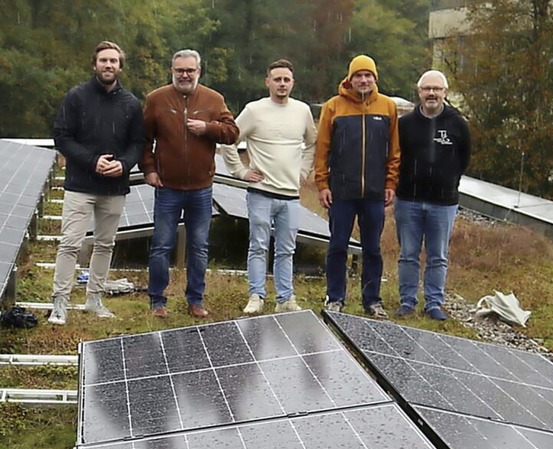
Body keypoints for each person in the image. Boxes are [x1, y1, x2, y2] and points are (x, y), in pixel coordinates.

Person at [48, 41, 144, 326]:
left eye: (114, 61)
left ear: (120, 66)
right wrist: (92, 161)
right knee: (70, 244)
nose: (108, 65)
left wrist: (124, 164)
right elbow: (62, 137)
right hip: (80, 184)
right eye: (103, 60)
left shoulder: (131, 104)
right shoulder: (76, 97)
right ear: (95, 64)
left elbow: (137, 143)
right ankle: (60, 302)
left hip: (114, 188)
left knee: (105, 244)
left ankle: (94, 299)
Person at [141, 49, 239, 318]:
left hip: (201, 188)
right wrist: (149, 170)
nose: (184, 75)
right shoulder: (156, 99)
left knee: (199, 245)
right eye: (179, 70)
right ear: (171, 70)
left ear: (199, 71)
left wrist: (208, 128)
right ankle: (157, 301)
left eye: (190, 70)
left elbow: (232, 134)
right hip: (167, 187)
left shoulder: (213, 99)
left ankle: (195, 299)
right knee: (162, 245)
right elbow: (144, 140)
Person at [221, 59, 317, 315]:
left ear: (293, 83)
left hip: (290, 196)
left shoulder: (302, 111)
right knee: (258, 246)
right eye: (277, 79)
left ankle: (285, 297)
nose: (282, 84)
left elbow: (312, 143)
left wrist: (304, 171)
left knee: (286, 248)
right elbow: (229, 140)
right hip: (261, 192)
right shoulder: (254, 110)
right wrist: (240, 171)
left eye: (286, 79)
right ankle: (256, 295)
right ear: (268, 82)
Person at [315, 54, 399, 318]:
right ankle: (335, 297)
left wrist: (390, 182)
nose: (363, 80)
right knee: (338, 246)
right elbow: (322, 149)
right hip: (341, 192)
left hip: (374, 193)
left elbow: (394, 150)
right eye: (358, 75)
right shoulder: (333, 107)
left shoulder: (387, 107)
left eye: (368, 75)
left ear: (375, 78)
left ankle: (372, 300)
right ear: (349, 79)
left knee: (372, 248)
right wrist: (322, 183)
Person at [395, 69, 471, 320]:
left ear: (445, 93)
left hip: (443, 203)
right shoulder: (404, 124)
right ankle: (407, 301)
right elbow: (396, 158)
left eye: (436, 89)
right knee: (408, 254)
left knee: (438, 256)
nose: (431, 94)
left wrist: (446, 181)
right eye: (427, 89)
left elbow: (464, 159)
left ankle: (434, 302)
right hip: (408, 200)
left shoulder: (457, 123)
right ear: (418, 92)